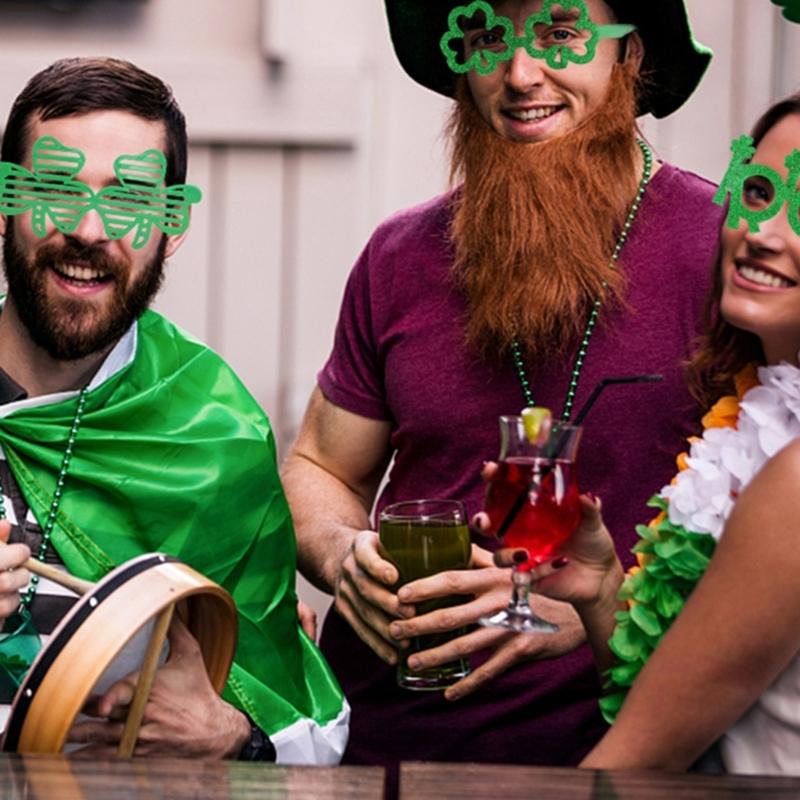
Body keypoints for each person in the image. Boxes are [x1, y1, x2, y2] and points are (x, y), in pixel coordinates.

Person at [281, 0, 722, 775]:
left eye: (560, 35)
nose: (520, 75)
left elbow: (772, 533)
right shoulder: (398, 256)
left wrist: (593, 610)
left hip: (609, 756)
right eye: (488, 39)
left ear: (629, 54)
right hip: (376, 749)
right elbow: (320, 465)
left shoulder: (722, 249)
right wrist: (343, 552)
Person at [0, 57, 348, 763]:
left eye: (130, 199)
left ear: (172, 225)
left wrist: (233, 736)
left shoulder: (215, 433)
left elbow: (310, 732)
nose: (89, 229)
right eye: (56, 190)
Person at [495, 92, 800, 774]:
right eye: (758, 191)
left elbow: (635, 761)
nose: (763, 231)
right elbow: (677, 702)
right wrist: (604, 589)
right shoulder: (758, 419)